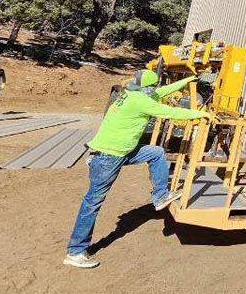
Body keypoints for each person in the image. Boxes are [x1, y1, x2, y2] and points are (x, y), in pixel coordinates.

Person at [64, 69, 210, 269]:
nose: (155, 90)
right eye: (153, 87)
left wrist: (187, 80)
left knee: (156, 152)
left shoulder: (132, 93)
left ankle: (160, 196)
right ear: (147, 88)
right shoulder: (141, 101)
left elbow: (163, 91)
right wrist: (200, 114)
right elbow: (171, 112)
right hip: (109, 156)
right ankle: (75, 251)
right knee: (92, 203)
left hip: (120, 152)